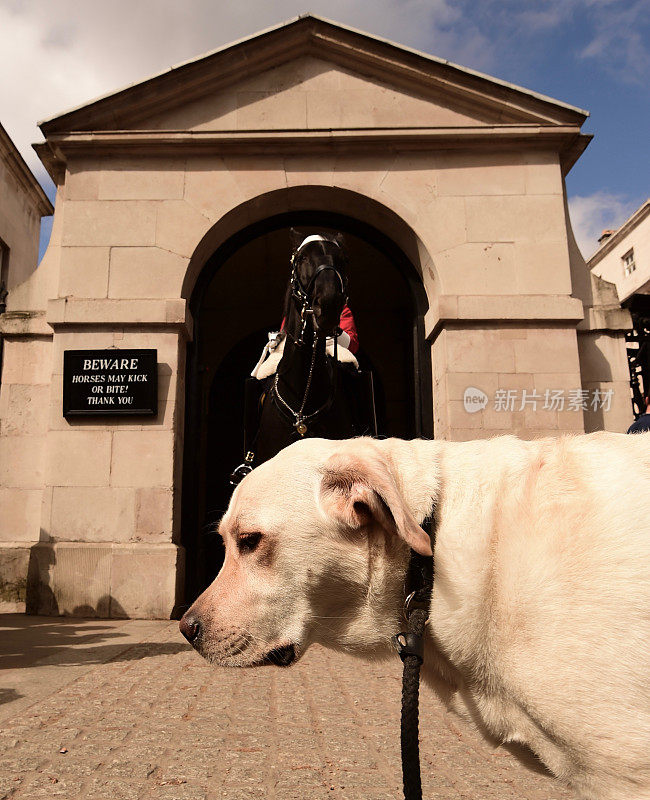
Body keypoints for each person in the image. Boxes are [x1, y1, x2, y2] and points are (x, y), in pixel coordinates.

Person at [280, 303, 359, 354]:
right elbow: (284, 336)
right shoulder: (294, 310)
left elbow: (352, 346)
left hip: (329, 355)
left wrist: (332, 328)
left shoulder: (341, 310)